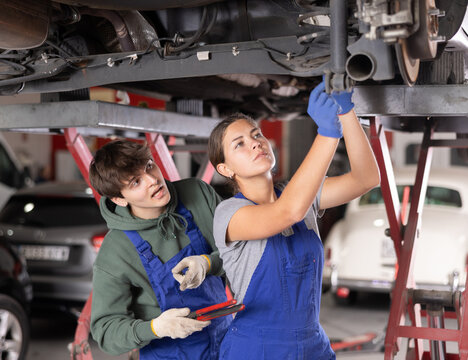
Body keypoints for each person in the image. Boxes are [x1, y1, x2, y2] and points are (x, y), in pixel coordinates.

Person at [207, 81, 380, 359]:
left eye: (257, 135)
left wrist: (346, 113)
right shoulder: (229, 214)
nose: (255, 144)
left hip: (313, 345)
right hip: (256, 349)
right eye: (240, 144)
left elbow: (366, 178)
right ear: (225, 169)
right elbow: (287, 212)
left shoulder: (300, 194)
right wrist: (327, 134)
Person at [88, 139, 230, 359]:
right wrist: (155, 328)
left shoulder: (197, 194)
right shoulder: (116, 250)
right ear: (119, 199)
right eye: (136, 182)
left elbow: (243, 251)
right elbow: (106, 331)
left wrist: (210, 263)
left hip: (228, 344)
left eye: (149, 166)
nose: (153, 180)